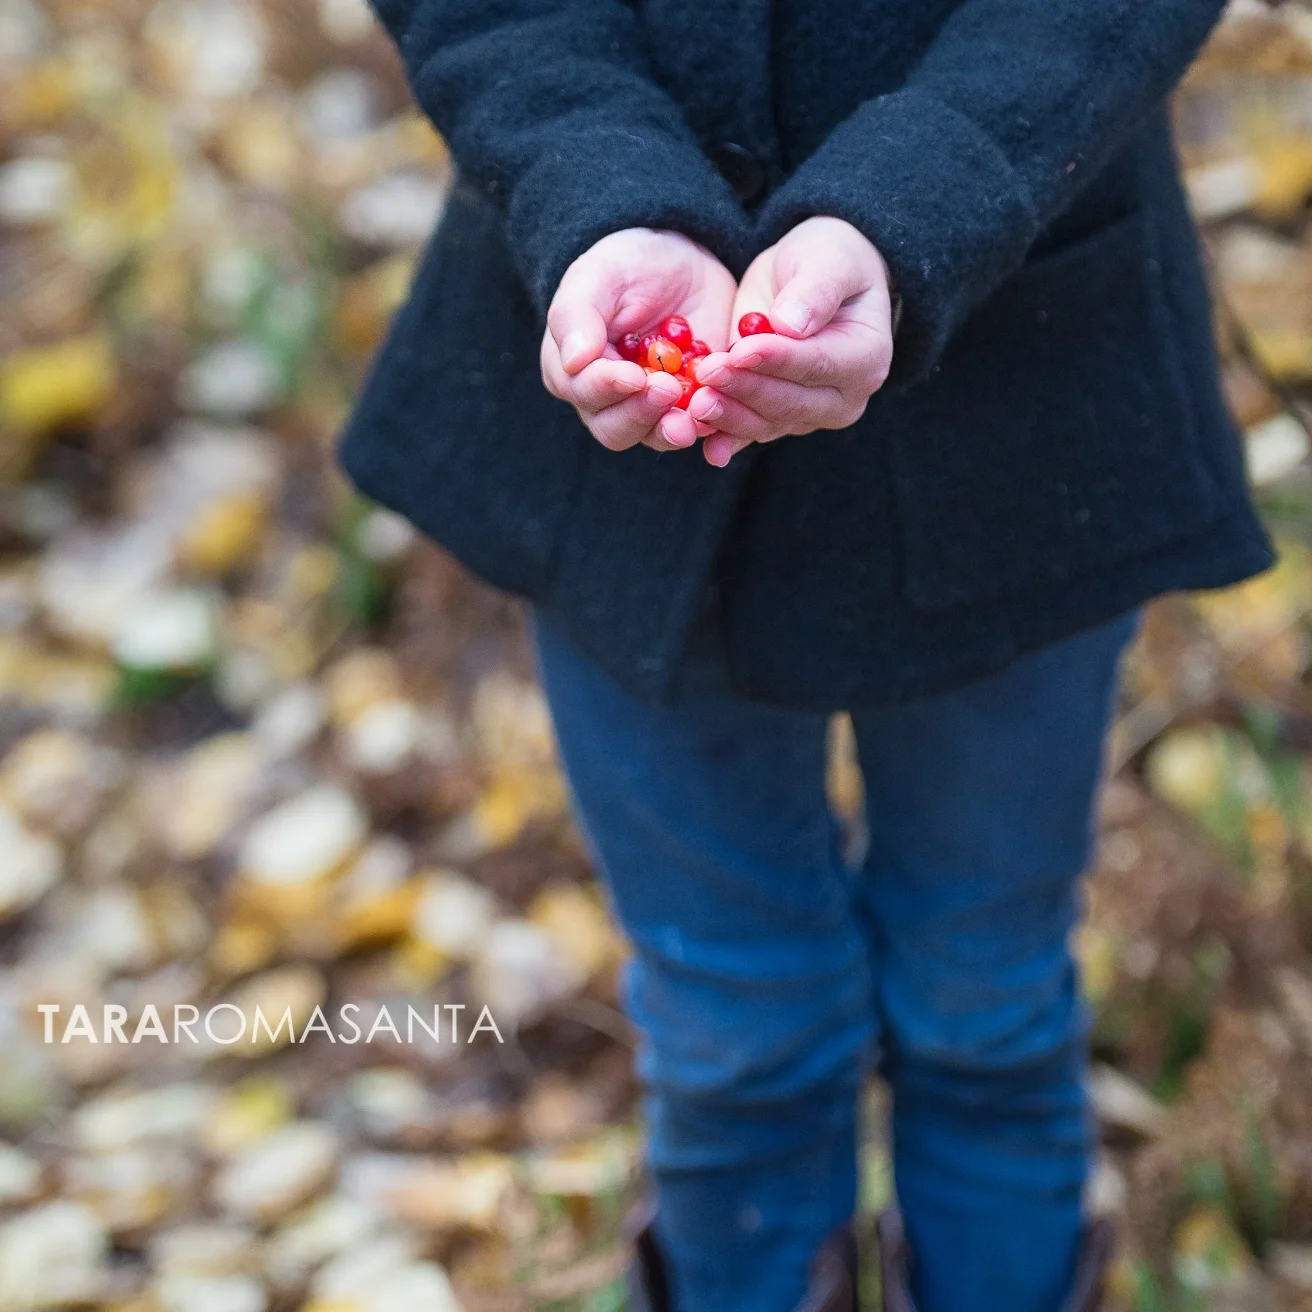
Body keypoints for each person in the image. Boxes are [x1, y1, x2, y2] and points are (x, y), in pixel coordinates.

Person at [337, 2, 1276, 1309]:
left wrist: (912, 206)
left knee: (987, 1010)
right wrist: (600, 187)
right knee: (734, 1032)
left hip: (1029, 379)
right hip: (625, 413)